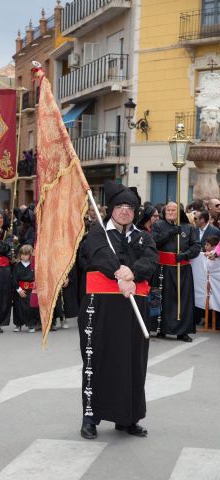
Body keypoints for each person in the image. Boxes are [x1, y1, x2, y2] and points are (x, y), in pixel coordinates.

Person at [78, 181, 158, 440]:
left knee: (133, 361)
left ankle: (128, 417)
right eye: (121, 206)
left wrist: (133, 272)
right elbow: (98, 255)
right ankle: (90, 417)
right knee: (97, 360)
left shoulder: (143, 236)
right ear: (111, 208)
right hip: (100, 306)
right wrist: (118, 272)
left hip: (134, 307)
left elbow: (151, 260)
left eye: (130, 207)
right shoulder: (97, 232)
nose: (125, 211)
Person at [152, 202, 201, 342]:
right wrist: (171, 232)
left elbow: (197, 246)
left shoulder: (188, 228)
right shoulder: (158, 225)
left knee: (182, 300)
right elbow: (154, 242)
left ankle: (182, 331)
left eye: (173, 210)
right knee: (163, 299)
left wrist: (185, 255)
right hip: (163, 268)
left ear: (179, 212)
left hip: (182, 268)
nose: (170, 212)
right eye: (168, 209)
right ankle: (161, 328)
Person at [12, 244, 36, 333]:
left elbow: (36, 277)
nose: (24, 256)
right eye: (22, 254)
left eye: (26, 254)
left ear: (30, 255)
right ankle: (18, 324)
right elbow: (14, 279)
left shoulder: (34, 265)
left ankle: (31, 324)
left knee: (30, 307)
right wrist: (19, 290)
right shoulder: (17, 266)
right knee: (18, 307)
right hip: (19, 289)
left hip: (31, 290)